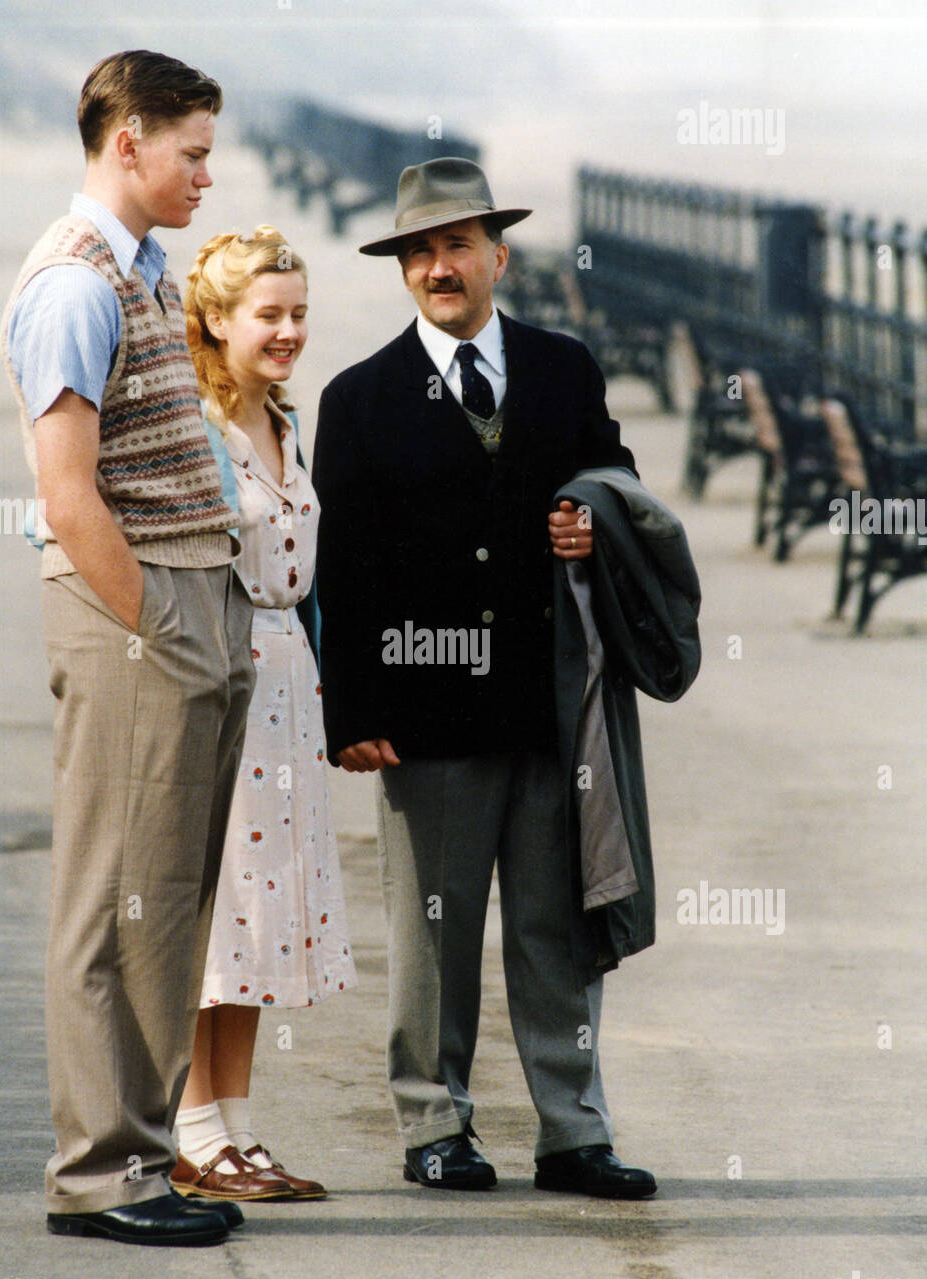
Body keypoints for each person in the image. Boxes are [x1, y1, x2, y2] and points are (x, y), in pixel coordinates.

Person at [313, 157, 658, 1197]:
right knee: (433, 933)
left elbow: (618, 481)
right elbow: (345, 571)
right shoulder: (359, 398)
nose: (437, 266)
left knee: (557, 928)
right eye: (418, 250)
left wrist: (588, 516)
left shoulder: (562, 368)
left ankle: (573, 1132)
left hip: (550, 705)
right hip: (424, 714)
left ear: (498, 255)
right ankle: (434, 1125)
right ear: (402, 271)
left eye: (456, 245)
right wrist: (354, 708)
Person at [0, 50, 255, 1245]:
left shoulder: (141, 271)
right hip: (137, 619)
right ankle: (101, 1174)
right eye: (192, 152)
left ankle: (140, 1159)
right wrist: (156, 628)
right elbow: (66, 495)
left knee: (169, 901)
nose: (208, 174)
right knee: (115, 901)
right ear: (129, 144)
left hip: (194, 603)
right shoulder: (75, 280)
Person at [172, 227, 356, 1202]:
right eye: (268, 315)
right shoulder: (197, 425)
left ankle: (236, 1128)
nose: (288, 332)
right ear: (215, 319)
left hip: (291, 685)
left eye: (298, 314)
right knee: (215, 907)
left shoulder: (286, 419)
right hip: (223, 679)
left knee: (261, 911)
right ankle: (194, 1131)